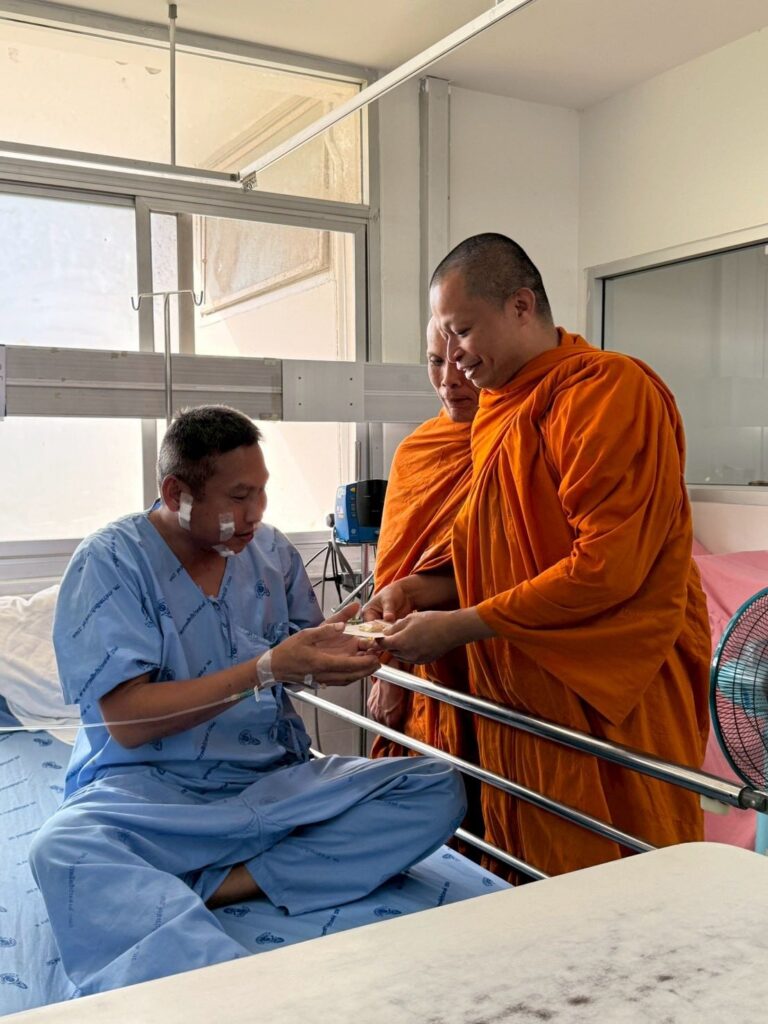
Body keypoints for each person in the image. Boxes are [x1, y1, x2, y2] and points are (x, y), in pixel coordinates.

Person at [30, 405, 465, 997]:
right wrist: (264, 669)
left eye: (261, 491)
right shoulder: (110, 563)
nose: (257, 512)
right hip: (156, 795)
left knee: (435, 788)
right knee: (63, 848)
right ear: (176, 493)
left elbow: (300, 659)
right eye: (239, 497)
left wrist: (351, 641)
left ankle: (220, 882)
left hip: (273, 783)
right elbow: (127, 722)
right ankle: (233, 995)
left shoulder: (271, 553)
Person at [365, 233, 711, 880]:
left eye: (462, 332)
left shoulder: (605, 390)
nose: (453, 362)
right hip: (516, 684)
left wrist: (464, 624)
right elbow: (499, 556)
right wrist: (419, 590)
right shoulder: (500, 409)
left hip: (603, 685)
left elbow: (607, 568)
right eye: (439, 348)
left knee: (620, 870)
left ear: (521, 306)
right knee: (523, 864)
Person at [368, 317, 478, 768]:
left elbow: (513, 569)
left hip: (502, 650)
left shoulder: (520, 447)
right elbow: (394, 570)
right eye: (435, 362)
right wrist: (391, 672)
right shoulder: (417, 452)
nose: (448, 380)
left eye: (462, 363)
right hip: (422, 659)